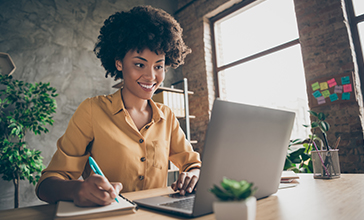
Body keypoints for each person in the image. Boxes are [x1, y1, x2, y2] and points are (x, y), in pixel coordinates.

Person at [36, 5, 201, 207]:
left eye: (158, 66)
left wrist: (193, 174)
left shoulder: (166, 116)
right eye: (139, 64)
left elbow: (193, 164)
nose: (151, 76)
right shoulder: (92, 111)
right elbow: (46, 186)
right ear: (119, 63)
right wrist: (78, 189)